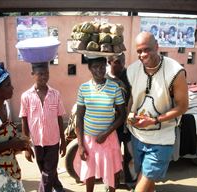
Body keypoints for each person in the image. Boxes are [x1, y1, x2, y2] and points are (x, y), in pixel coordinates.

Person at [126, 32, 188, 192]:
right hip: (138, 136)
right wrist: (129, 115)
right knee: (144, 176)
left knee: (144, 181)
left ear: (157, 47)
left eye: (147, 49)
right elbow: (134, 98)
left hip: (162, 138)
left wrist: (154, 120)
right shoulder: (133, 70)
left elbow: (182, 106)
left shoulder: (175, 71)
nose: (143, 55)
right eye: (139, 51)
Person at [74, 56, 126, 192]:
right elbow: (79, 118)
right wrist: (80, 145)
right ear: (89, 68)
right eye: (96, 67)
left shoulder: (114, 87)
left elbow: (122, 115)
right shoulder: (83, 88)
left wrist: (106, 133)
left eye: (102, 66)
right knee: (89, 171)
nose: (100, 70)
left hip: (108, 138)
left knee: (112, 172)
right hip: (89, 139)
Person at [19, 62, 66, 192]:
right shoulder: (26, 96)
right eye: (40, 74)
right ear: (32, 74)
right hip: (36, 142)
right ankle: (57, 185)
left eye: (46, 73)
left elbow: (59, 118)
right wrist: (26, 146)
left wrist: (63, 141)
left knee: (47, 174)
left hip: (53, 141)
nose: (44, 76)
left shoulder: (55, 94)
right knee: (45, 170)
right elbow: (24, 120)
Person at [106, 53, 136, 186]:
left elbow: (135, 96)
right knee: (112, 155)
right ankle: (112, 182)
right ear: (109, 62)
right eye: (118, 62)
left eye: (123, 61)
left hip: (129, 125)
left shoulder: (129, 76)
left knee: (131, 154)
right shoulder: (105, 79)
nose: (122, 64)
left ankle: (131, 181)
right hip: (112, 125)